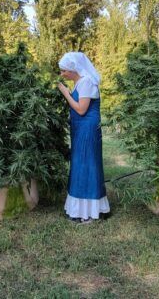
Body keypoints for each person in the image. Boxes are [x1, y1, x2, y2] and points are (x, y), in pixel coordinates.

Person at [56, 52, 109, 223]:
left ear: (73, 69)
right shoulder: (80, 81)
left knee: (86, 165)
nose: (62, 74)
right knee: (81, 164)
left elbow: (81, 109)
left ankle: (88, 213)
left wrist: (65, 93)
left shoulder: (86, 82)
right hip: (81, 129)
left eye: (64, 71)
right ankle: (83, 209)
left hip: (87, 130)